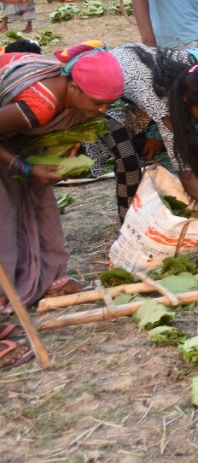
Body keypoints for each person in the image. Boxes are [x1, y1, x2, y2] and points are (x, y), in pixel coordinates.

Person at [0, 43, 124, 352]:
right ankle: (5, 293)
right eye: (97, 103)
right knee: (3, 214)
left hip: (12, 132)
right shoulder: (38, 106)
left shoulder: (73, 98)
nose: (102, 111)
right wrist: (24, 168)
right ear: (73, 87)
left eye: (108, 104)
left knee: (41, 204)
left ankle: (51, 280)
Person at [98, 46, 198, 249]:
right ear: (185, 100)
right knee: (128, 161)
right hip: (105, 92)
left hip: (143, 81)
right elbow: (187, 178)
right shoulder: (162, 107)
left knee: (191, 140)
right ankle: (127, 233)